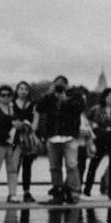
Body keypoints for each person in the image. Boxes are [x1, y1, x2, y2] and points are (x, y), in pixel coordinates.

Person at [36, 75, 86, 205]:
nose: (59, 87)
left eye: (62, 84)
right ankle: (57, 194)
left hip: (69, 137)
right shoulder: (50, 97)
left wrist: (67, 98)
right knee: (54, 167)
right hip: (53, 137)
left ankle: (74, 193)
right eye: (57, 84)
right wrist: (48, 94)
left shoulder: (74, 95)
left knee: (72, 165)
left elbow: (81, 107)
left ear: (67, 84)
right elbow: (39, 107)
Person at [84, 88, 111, 198]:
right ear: (104, 98)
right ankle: (87, 189)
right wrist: (95, 127)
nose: (110, 99)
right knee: (93, 165)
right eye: (108, 97)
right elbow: (87, 121)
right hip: (100, 139)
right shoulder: (96, 109)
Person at [0, 84, 24, 203]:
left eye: (8, 95)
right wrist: (10, 123)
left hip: (14, 144)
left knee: (13, 170)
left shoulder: (15, 109)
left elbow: (21, 122)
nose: (6, 97)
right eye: (3, 95)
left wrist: (20, 125)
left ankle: (12, 194)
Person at [12, 80, 40, 202]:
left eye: (26, 89)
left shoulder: (33, 105)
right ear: (17, 90)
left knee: (27, 166)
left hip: (28, 138)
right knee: (14, 165)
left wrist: (30, 128)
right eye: (21, 89)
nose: (23, 91)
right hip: (15, 137)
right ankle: (12, 192)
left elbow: (36, 120)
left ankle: (26, 192)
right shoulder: (12, 104)